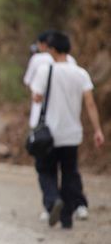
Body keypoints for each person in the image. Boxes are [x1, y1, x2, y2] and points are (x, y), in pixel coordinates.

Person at [29, 31, 104, 229]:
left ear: (52, 50)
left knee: (46, 171)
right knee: (70, 173)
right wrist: (97, 130)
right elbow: (90, 104)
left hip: (50, 134)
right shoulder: (80, 73)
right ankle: (67, 218)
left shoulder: (46, 71)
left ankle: (53, 200)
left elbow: (36, 97)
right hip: (72, 133)